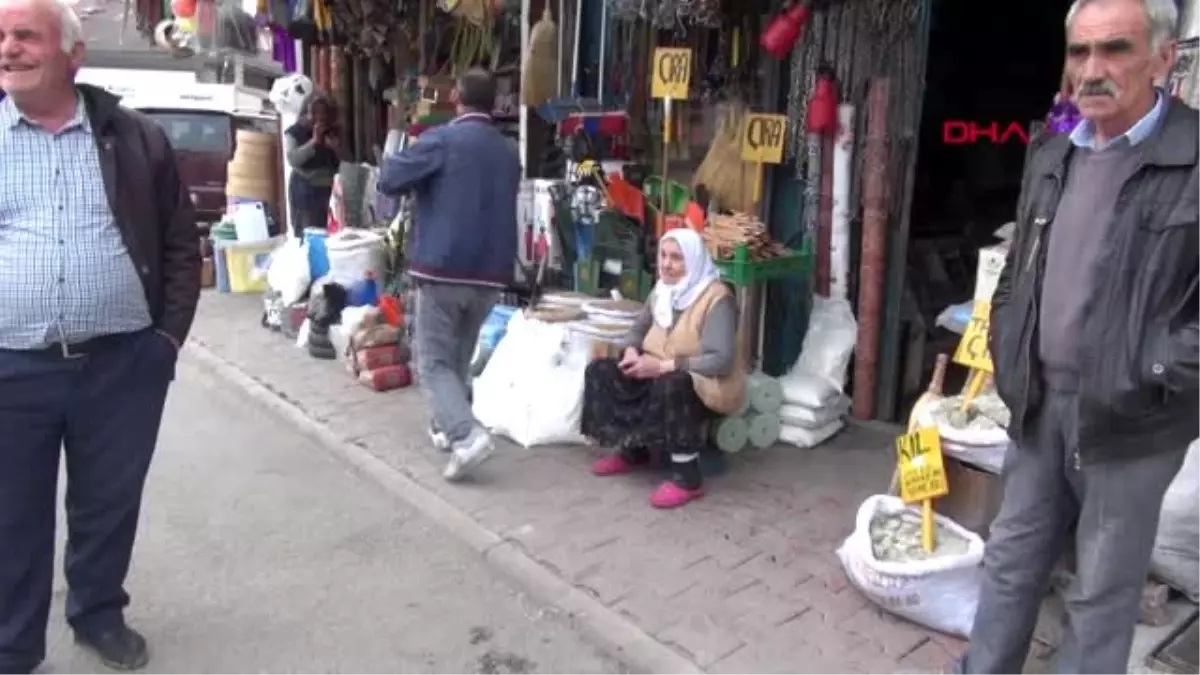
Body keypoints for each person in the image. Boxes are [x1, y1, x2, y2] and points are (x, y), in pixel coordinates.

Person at [959, 1, 1200, 673]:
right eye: (1079, 52)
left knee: (1101, 591)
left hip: (1134, 420)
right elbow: (1017, 271)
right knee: (1010, 559)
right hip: (1040, 405)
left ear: (1162, 57)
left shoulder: (1193, 155)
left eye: (1114, 50)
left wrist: (1153, 370)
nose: (1092, 70)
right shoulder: (1053, 147)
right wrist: (1011, 343)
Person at [0, 0, 201, 671]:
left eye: (25, 36)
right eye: (1, 38)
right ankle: (13, 643)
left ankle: (98, 613)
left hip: (121, 362)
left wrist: (165, 342)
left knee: (108, 501)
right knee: (10, 514)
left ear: (72, 54)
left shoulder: (133, 136)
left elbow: (180, 242)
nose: (9, 49)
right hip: (10, 364)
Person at [377, 68, 519, 482]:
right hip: (491, 272)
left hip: (443, 267)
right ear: (494, 101)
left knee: (434, 361)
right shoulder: (508, 150)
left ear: (456, 96)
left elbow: (389, 179)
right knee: (457, 355)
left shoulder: (441, 140)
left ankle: (465, 434)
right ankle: (445, 427)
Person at [581, 228, 744, 509]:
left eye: (677, 258)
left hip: (704, 385)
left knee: (672, 383)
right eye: (664, 256)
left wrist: (662, 366)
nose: (666, 264)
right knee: (602, 371)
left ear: (693, 261)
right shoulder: (662, 291)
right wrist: (631, 351)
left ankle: (687, 478)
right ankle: (632, 450)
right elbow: (637, 330)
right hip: (657, 369)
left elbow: (721, 360)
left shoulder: (717, 299)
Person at [283, 90, 340, 237]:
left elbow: (343, 162)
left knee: (326, 233)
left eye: (323, 113)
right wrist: (314, 142)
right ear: (306, 112)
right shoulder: (295, 132)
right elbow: (293, 159)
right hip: (305, 192)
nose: (319, 117)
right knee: (308, 234)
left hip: (326, 191)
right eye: (315, 113)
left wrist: (334, 148)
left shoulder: (332, 132)